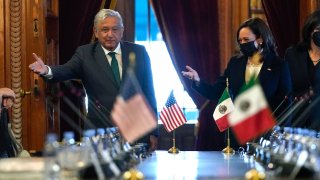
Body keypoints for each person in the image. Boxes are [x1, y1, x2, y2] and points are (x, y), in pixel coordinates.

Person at [28, 9, 158, 151]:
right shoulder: (85, 54)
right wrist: (47, 70)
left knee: (137, 172)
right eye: (104, 30)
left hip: (137, 131)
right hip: (100, 131)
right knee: (99, 173)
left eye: (115, 29)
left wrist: (153, 132)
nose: (110, 34)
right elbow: (66, 70)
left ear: (122, 31)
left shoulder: (139, 52)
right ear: (96, 32)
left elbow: (149, 94)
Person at [182, 17, 292, 149]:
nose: (242, 43)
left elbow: (285, 101)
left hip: (266, 135)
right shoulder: (235, 63)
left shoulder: (278, 65)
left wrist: (280, 132)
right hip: (237, 136)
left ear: (260, 39)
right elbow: (216, 91)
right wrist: (198, 81)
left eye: (246, 40)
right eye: (240, 40)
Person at [284, 10, 320, 130]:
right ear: (310, 31)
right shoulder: (293, 53)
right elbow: (286, 85)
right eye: (318, 29)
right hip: (297, 118)